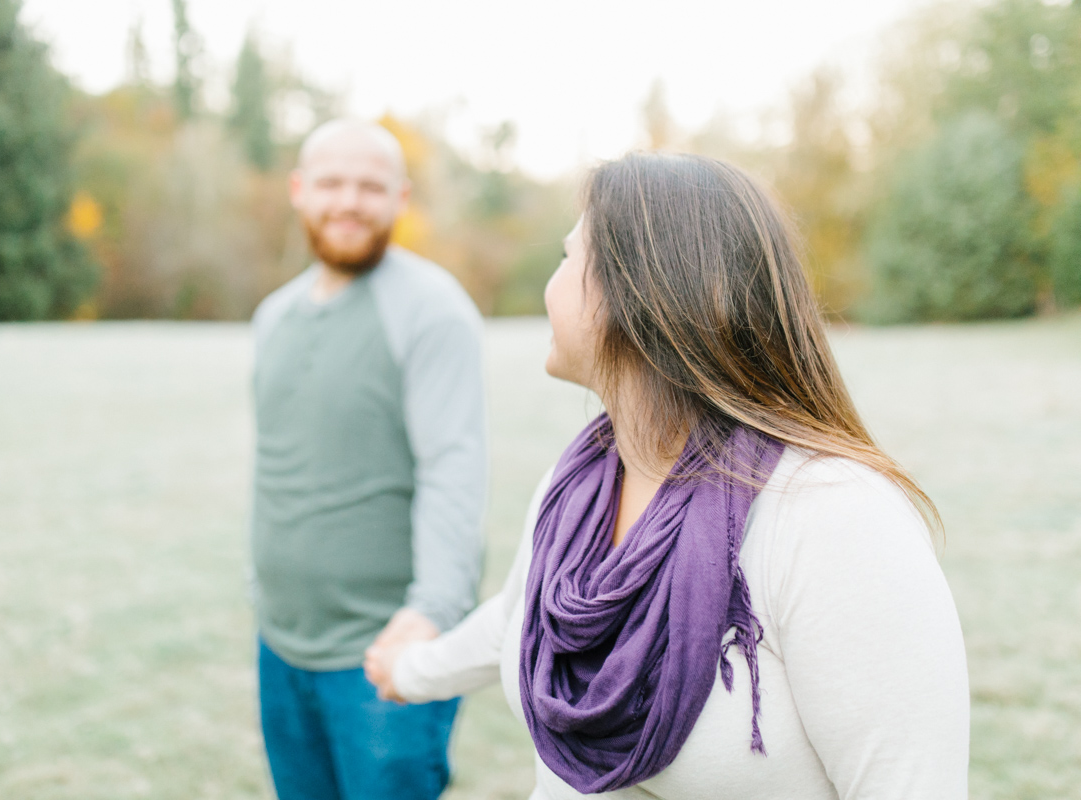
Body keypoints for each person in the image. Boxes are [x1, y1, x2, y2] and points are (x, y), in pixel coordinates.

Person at [365, 152, 970, 799]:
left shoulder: (833, 516)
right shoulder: (580, 485)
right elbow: (517, 617)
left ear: (636, 290)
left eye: (569, 259)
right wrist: (411, 669)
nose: (551, 285)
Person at [250, 119, 486, 800]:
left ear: (400, 199)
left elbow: (454, 469)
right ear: (299, 191)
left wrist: (433, 611)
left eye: (369, 187)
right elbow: (275, 466)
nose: (348, 201)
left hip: (386, 654)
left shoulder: (432, 310)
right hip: (282, 644)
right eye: (330, 183)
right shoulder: (275, 317)